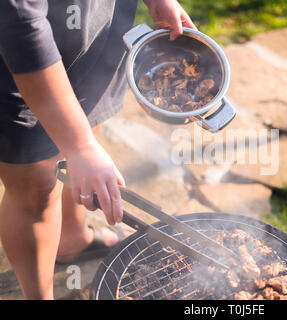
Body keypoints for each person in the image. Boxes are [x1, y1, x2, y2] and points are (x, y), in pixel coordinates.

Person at [0, 0, 195, 299]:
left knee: (89, 121)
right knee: (36, 188)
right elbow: (17, 21)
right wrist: (79, 145)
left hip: (98, 24)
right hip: (16, 58)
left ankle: (72, 239)